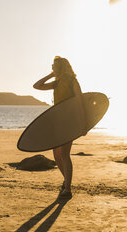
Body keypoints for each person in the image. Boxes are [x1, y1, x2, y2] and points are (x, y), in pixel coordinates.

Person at [33, 56, 86, 200]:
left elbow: (80, 102)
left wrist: (83, 125)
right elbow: (36, 85)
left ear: (61, 67)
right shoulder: (56, 83)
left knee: (64, 153)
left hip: (69, 121)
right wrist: (51, 75)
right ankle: (66, 181)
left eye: (54, 66)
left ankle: (68, 188)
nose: (52, 67)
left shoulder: (72, 81)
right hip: (58, 122)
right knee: (56, 154)